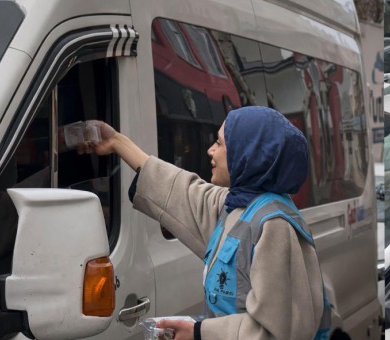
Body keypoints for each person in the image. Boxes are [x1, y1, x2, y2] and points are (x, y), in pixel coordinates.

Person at [86, 106, 329, 340]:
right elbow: (182, 190)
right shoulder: (238, 205)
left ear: (246, 152)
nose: (210, 150)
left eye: (220, 143)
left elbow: (278, 331)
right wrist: (117, 142)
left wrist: (200, 333)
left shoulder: (274, 224)